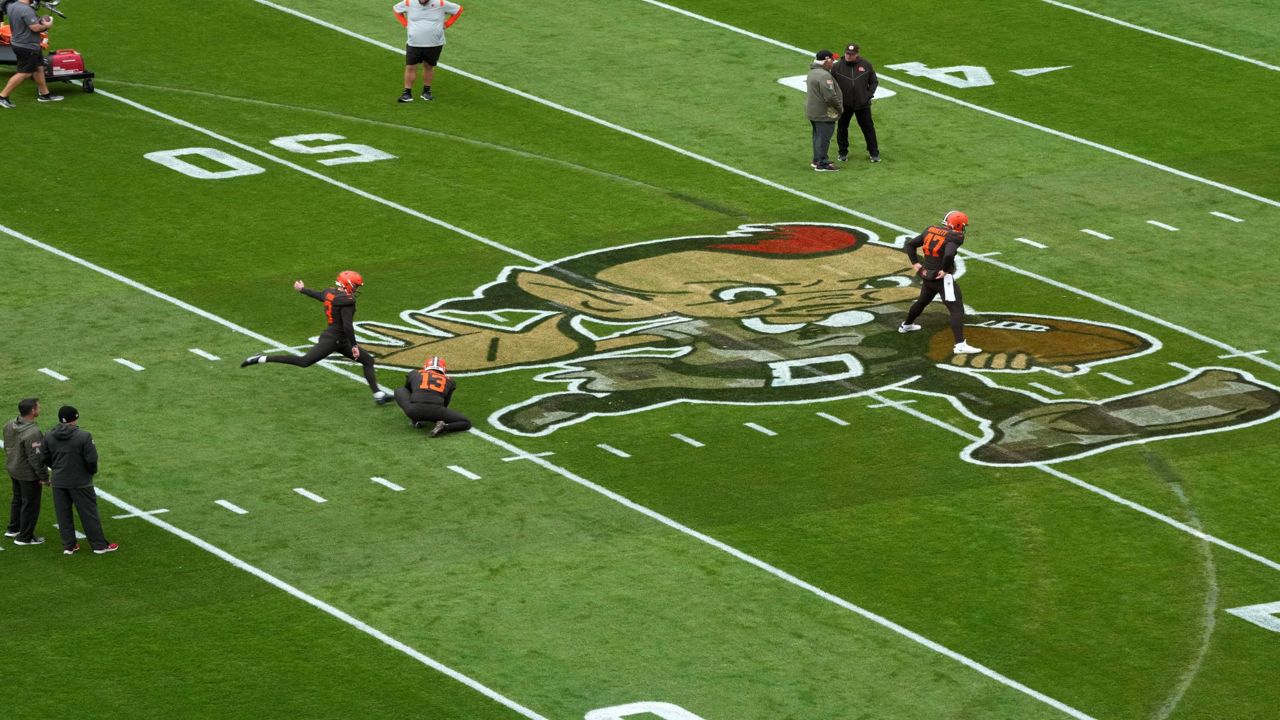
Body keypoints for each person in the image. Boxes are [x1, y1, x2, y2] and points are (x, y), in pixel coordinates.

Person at [241, 271, 392, 405]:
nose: (356, 289)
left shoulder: (330, 292)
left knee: (368, 360)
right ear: (348, 285)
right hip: (334, 339)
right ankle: (261, 358)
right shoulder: (347, 302)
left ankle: (378, 394)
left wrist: (302, 290)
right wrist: (354, 346)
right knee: (304, 361)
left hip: (338, 338)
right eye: (356, 286)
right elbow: (347, 326)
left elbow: (319, 295)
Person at [899, 211, 981, 354]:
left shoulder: (930, 229)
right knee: (957, 310)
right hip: (940, 278)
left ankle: (906, 325)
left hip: (927, 275)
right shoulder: (956, 236)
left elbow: (910, 245)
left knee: (922, 301)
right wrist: (945, 269)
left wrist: (916, 265)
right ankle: (960, 345)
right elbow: (949, 254)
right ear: (957, 225)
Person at [43, 406, 116, 555]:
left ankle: (69, 546)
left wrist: (57, 468)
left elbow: (45, 458)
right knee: (89, 514)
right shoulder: (84, 436)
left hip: (59, 481)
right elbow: (91, 460)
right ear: (75, 418)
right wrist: (90, 472)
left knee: (63, 515)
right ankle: (99, 545)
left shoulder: (49, 435)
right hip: (80, 482)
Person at [393, 0, 463, 103]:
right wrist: (405, 24)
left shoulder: (441, 3)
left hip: (434, 43)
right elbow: (396, 10)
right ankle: (407, 93)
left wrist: (447, 24)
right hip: (414, 43)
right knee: (410, 67)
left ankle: (426, 92)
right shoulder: (408, 3)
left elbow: (458, 10)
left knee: (429, 66)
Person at [0, 0, 63, 108]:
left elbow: (26, 21)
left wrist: (40, 20)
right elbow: (36, 28)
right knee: (24, 73)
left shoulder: (12, 5)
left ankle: (44, 94)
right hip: (27, 46)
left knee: (39, 68)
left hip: (25, 43)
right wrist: (47, 25)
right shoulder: (26, 9)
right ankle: (2, 96)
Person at [5, 397, 49, 546]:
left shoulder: (9, 424)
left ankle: (14, 528)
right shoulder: (33, 432)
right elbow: (36, 459)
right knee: (30, 504)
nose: (39, 408)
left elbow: (7, 447)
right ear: (32, 410)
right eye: (38, 406)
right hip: (27, 474)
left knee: (17, 499)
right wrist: (44, 477)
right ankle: (25, 537)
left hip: (13, 468)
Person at [393, 356, 472, 437]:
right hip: (436, 412)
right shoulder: (450, 381)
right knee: (466, 422)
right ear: (443, 369)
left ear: (425, 367)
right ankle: (444, 427)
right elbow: (445, 404)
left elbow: (408, 391)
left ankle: (415, 420)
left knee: (400, 390)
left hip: (414, 411)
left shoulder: (414, 373)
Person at [830, 43, 879, 163]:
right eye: (847, 53)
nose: (848, 56)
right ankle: (842, 152)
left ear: (857, 54)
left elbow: (873, 82)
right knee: (842, 128)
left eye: (851, 54)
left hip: (862, 104)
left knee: (868, 128)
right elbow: (831, 85)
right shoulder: (837, 67)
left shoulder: (866, 65)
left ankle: (874, 153)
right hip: (844, 104)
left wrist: (868, 95)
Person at [805, 49, 843, 172]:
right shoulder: (824, 75)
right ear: (826, 60)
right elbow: (830, 96)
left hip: (814, 111)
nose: (833, 61)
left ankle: (817, 160)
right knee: (823, 138)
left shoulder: (813, 72)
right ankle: (822, 163)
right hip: (824, 112)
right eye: (832, 59)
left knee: (817, 137)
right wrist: (839, 107)